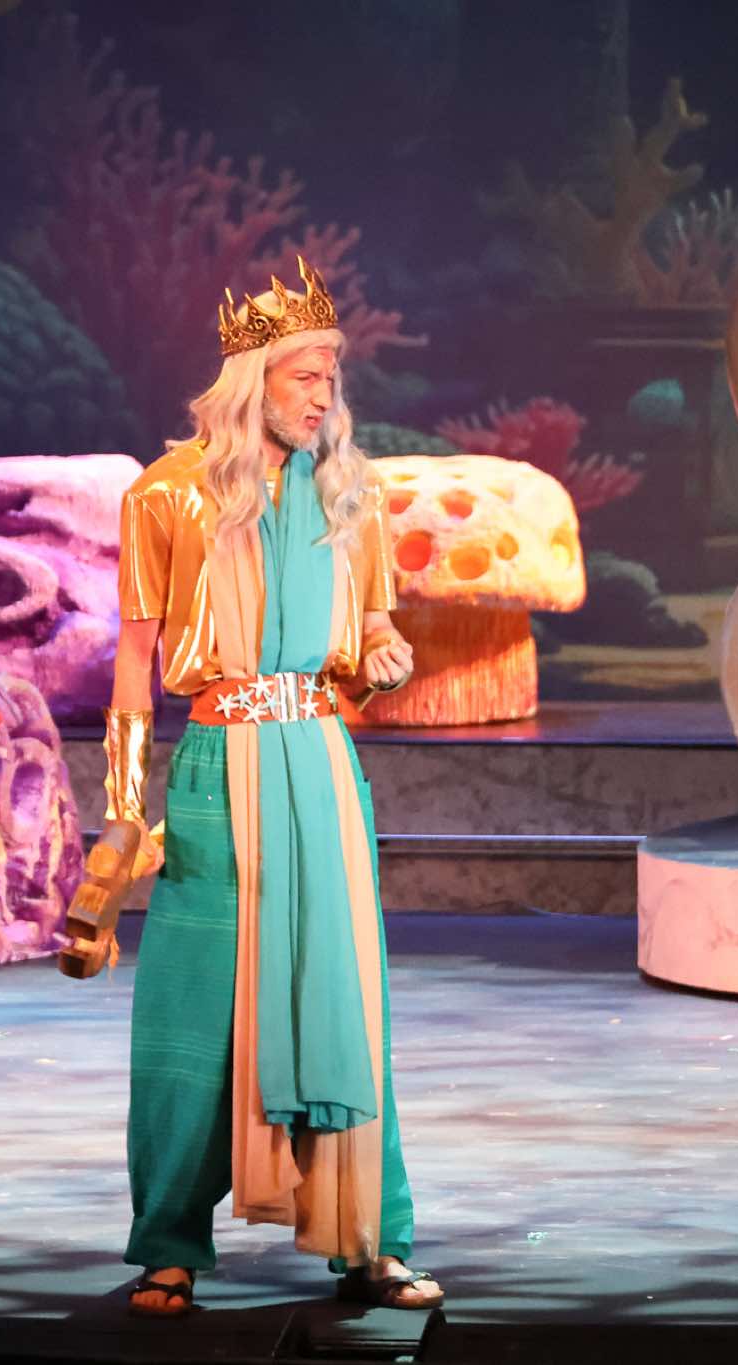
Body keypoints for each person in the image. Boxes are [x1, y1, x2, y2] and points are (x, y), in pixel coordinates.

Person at [100, 259, 442, 1316]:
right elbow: (132, 662)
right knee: (195, 1006)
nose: (323, 394)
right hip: (218, 765)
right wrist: (123, 808)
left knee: (343, 1001)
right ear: (253, 381)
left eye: (331, 376)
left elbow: (371, 639)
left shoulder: (350, 495)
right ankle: (168, 1243)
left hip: (319, 766)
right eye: (304, 375)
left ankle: (369, 1241)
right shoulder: (165, 493)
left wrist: (382, 659)